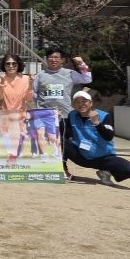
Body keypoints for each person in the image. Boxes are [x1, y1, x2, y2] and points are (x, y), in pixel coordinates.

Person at [34, 47, 92, 175]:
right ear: (46, 59)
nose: (53, 59)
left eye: (56, 57)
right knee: (47, 142)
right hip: (45, 116)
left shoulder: (69, 73)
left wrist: (81, 63)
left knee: (63, 143)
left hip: (64, 116)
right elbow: (34, 94)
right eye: (50, 57)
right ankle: (47, 169)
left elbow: (87, 79)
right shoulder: (40, 75)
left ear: (62, 60)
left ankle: (63, 168)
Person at [64, 91, 130, 185]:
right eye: (77, 102)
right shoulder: (72, 115)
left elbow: (109, 136)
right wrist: (55, 118)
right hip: (82, 157)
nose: (81, 104)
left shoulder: (104, 116)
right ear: (74, 105)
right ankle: (63, 170)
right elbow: (65, 134)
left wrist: (97, 123)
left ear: (90, 103)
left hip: (104, 158)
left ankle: (105, 171)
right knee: (61, 142)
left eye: (84, 101)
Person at [0, 53, 34, 163]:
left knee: (15, 134)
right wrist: (2, 82)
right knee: (6, 137)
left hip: (19, 113)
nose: (11, 66)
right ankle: (13, 154)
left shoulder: (25, 79)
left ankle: (13, 156)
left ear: (18, 65)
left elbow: (28, 98)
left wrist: (31, 85)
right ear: (4, 65)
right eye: (8, 64)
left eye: (14, 63)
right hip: (3, 113)